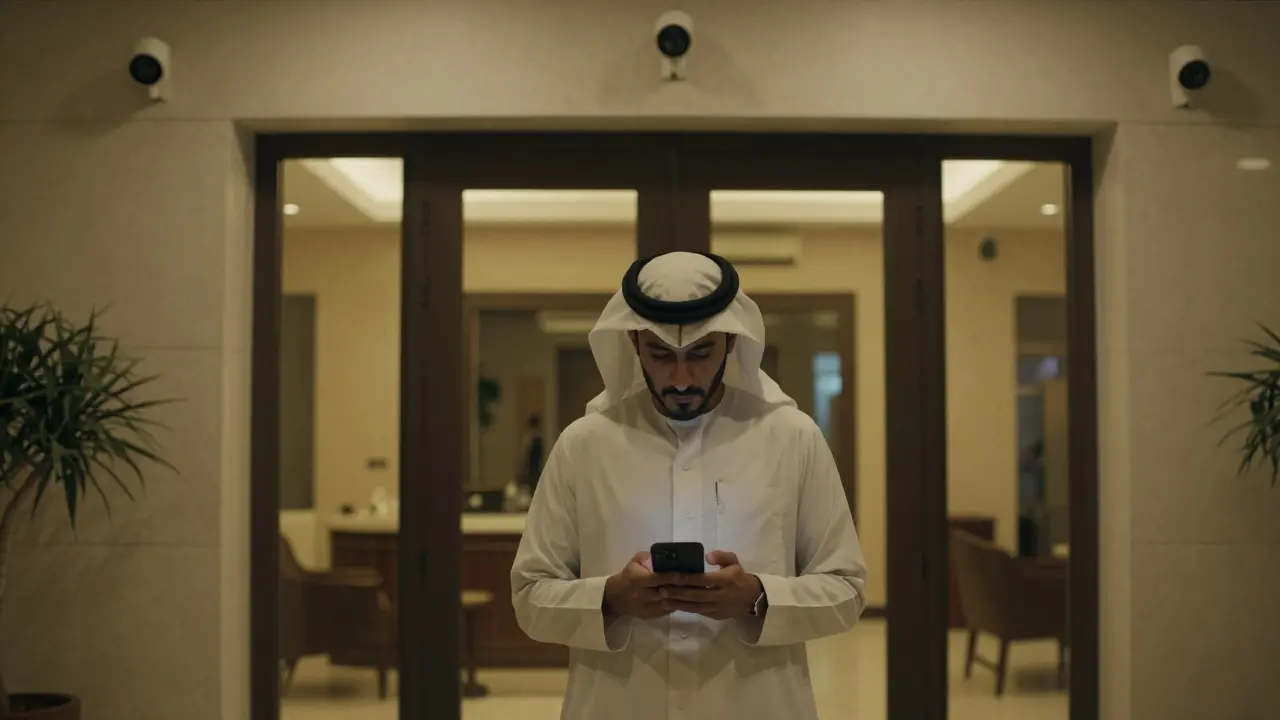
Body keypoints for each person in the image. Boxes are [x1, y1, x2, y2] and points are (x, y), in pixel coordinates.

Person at [510, 251, 867, 720]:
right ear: (635, 342)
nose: (681, 378)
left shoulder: (792, 437)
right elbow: (530, 595)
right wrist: (611, 598)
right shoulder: (584, 444)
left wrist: (758, 596)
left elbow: (846, 589)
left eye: (700, 353)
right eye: (662, 355)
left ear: (731, 343)